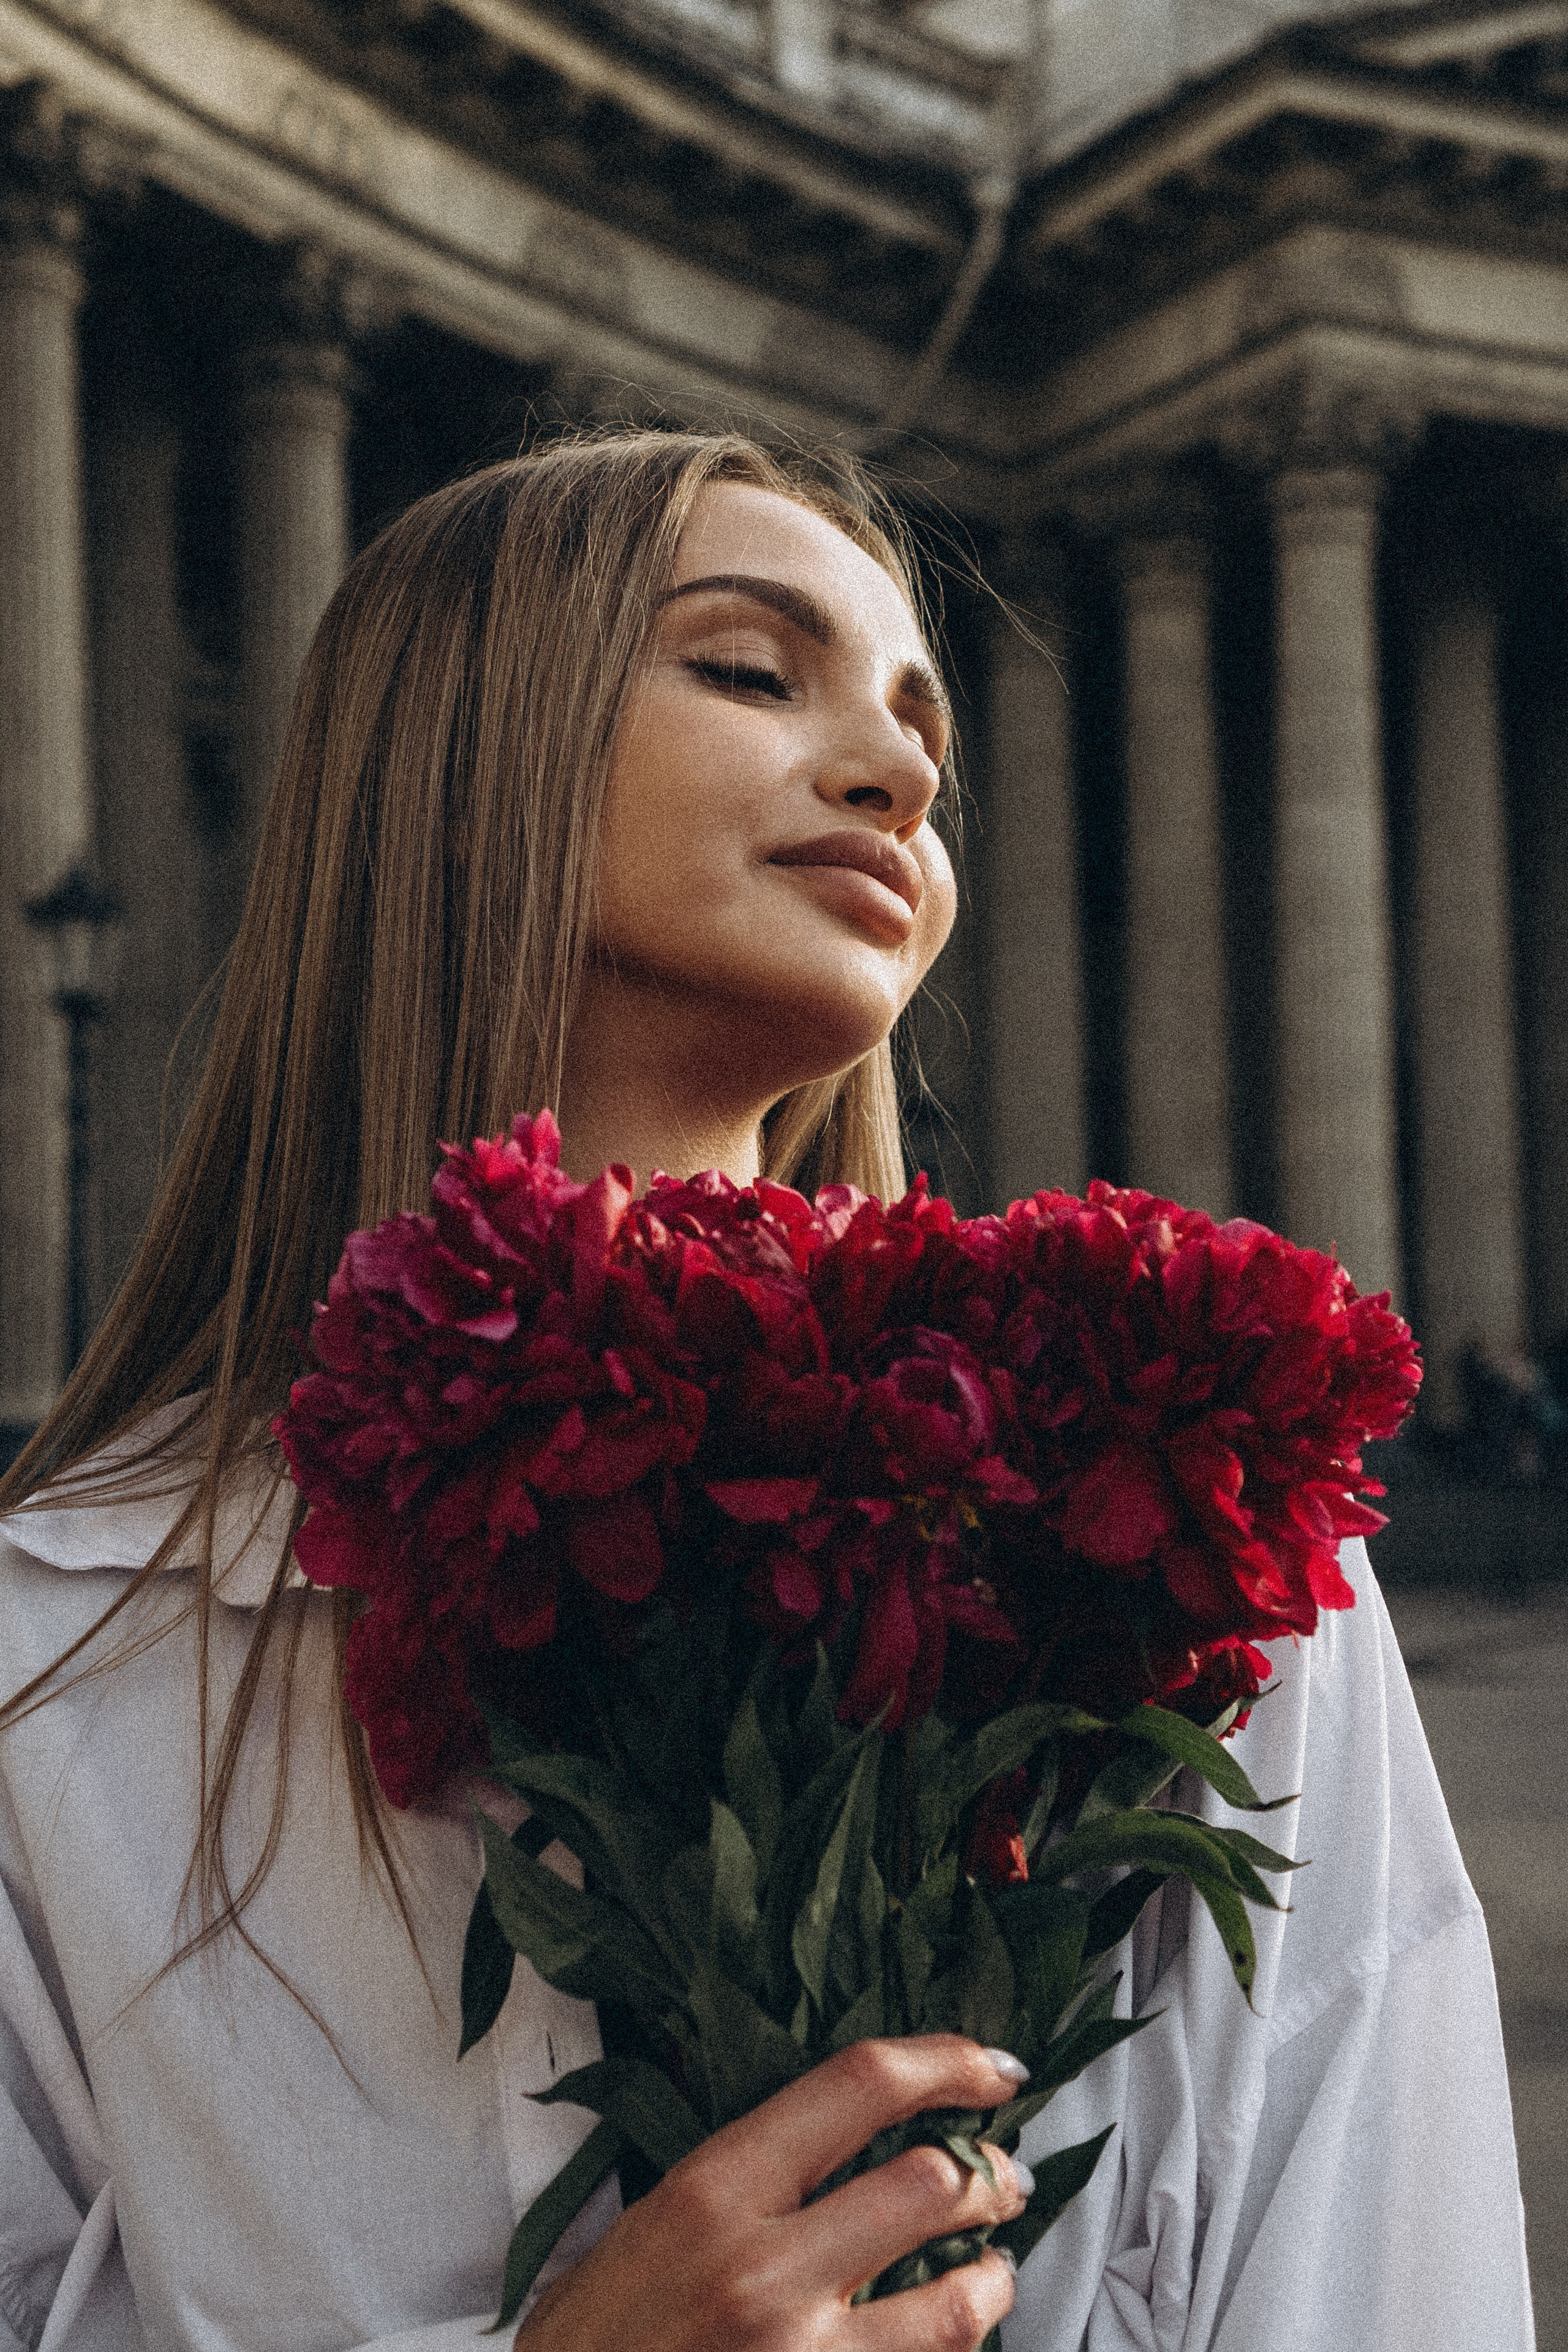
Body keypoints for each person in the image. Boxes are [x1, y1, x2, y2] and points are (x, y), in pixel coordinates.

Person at [0, 431, 1534, 2352]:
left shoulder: (1184, 1536)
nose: (899, 773)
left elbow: (1387, 2268)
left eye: (926, 738)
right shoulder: (48, 1655)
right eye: (749, 669)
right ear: (463, 767)